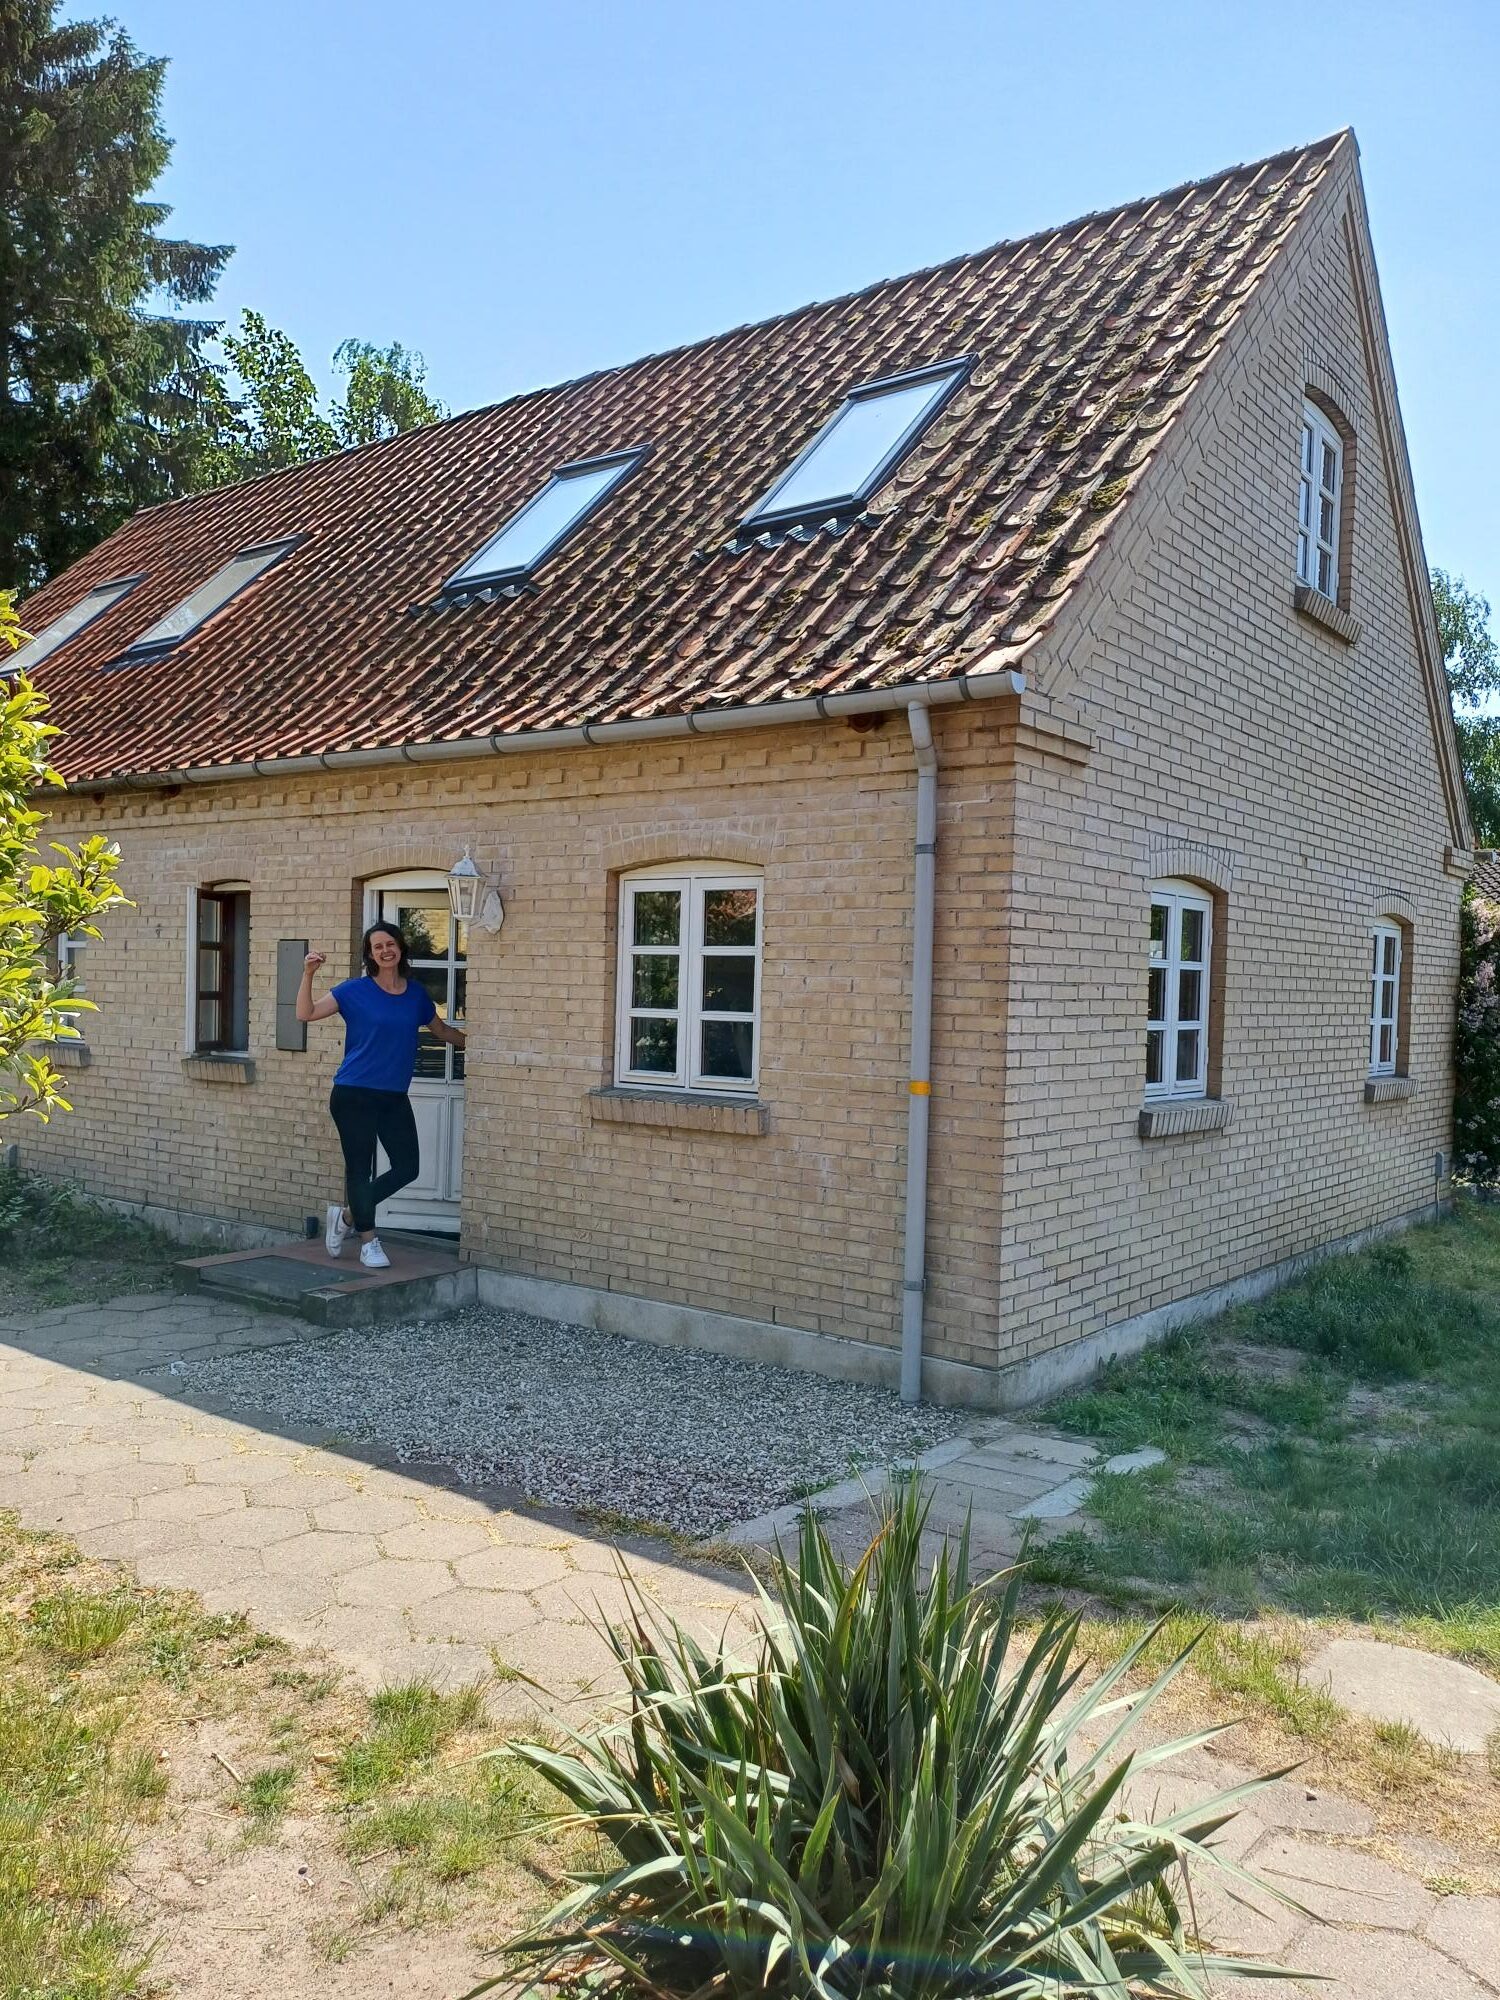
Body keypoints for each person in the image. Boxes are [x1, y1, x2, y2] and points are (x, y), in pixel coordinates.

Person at [296, 921, 466, 1268]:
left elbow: (443, 1030)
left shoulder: (416, 994)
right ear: (370, 955)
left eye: (391, 943)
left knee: (407, 1168)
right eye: (378, 947)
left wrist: (485, 1046)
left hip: (392, 1095)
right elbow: (306, 1013)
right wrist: (308, 973)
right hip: (354, 1092)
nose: (385, 950)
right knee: (359, 1170)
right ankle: (368, 1241)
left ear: (401, 948)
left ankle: (346, 1216)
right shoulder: (353, 991)